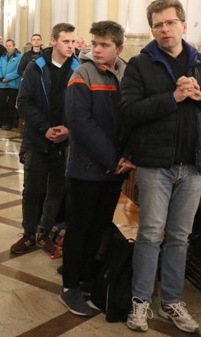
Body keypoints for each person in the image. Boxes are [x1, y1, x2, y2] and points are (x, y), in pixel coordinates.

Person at [121, 0, 201, 333]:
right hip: (156, 165)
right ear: (152, 29)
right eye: (157, 24)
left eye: (170, 23)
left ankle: (171, 301)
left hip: (194, 165)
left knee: (180, 237)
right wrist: (172, 97)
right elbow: (129, 111)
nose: (164, 29)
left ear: (184, 24)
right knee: (151, 234)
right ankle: (140, 301)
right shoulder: (141, 65)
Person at [60, 20, 134, 316]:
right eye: (95, 44)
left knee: (99, 226)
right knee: (79, 227)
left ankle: (87, 276)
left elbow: (134, 119)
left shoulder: (129, 75)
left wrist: (127, 156)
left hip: (116, 169)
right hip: (86, 167)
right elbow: (80, 122)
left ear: (119, 47)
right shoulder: (82, 74)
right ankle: (70, 287)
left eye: (105, 45)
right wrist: (112, 158)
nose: (98, 49)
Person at [11, 23, 79, 255]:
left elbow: (83, 106)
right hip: (37, 138)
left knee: (57, 188)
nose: (70, 46)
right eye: (65, 41)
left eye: (72, 42)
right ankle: (29, 234)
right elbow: (24, 101)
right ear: (54, 41)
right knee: (32, 189)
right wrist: (44, 128)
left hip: (65, 141)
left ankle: (45, 232)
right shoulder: (36, 67)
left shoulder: (80, 68)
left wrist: (68, 129)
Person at [0, 39, 21, 130]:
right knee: (0, 103)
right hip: (3, 84)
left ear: (14, 46)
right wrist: (1, 78)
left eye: (10, 45)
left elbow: (18, 71)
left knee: (11, 104)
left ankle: (10, 122)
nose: (8, 47)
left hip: (13, 84)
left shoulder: (19, 57)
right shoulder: (3, 57)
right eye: (7, 46)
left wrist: (7, 78)